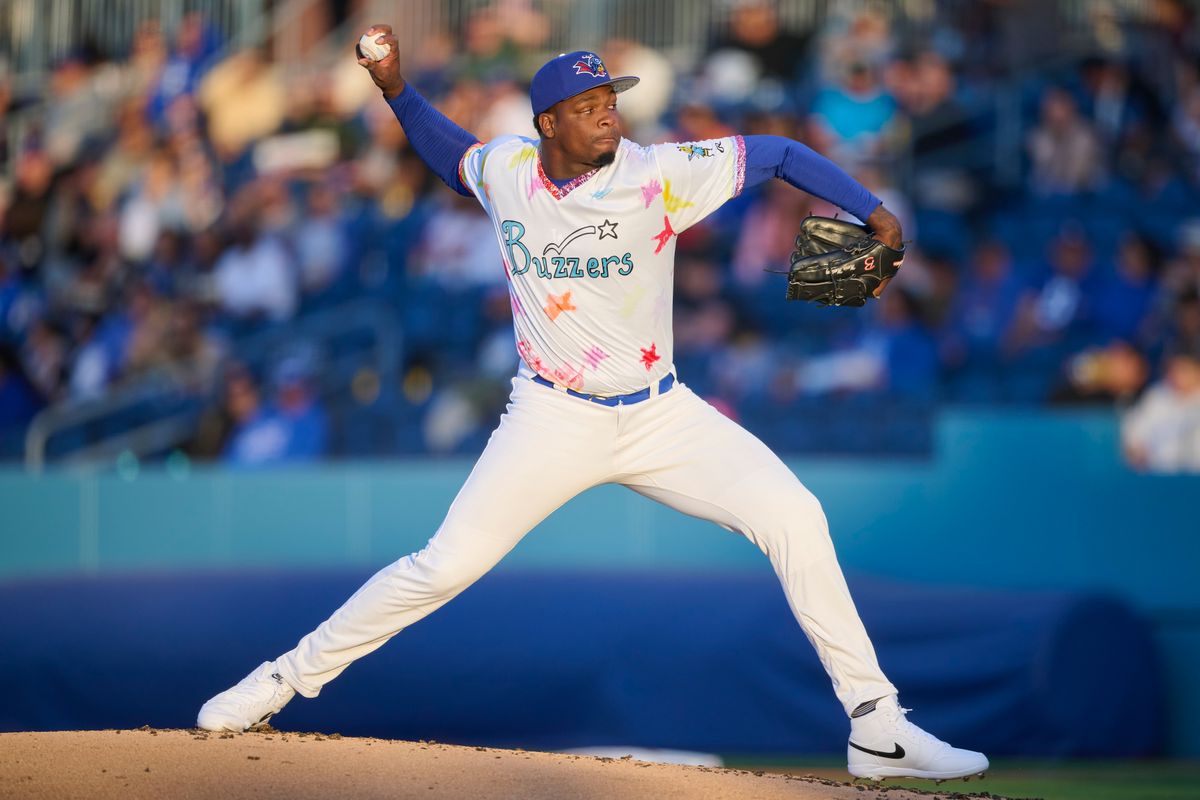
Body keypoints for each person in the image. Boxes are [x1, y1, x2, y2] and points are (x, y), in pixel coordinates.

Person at [197, 28, 988, 782]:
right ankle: (279, 680)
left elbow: (779, 153)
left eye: (611, 99)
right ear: (548, 124)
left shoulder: (656, 174)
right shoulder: (509, 168)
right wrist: (396, 89)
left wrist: (874, 210)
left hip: (662, 415)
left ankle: (876, 723)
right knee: (442, 566)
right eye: (588, 105)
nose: (609, 112)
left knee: (796, 517)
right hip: (552, 417)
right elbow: (451, 156)